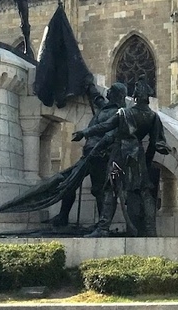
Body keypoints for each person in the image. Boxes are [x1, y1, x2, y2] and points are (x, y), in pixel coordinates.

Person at [73, 79, 170, 237]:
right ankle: (151, 229)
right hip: (137, 159)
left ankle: (103, 228)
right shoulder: (153, 117)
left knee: (111, 188)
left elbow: (105, 127)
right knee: (144, 191)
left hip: (119, 157)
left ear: (135, 96)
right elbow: (156, 143)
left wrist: (84, 133)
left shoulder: (124, 113)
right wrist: (146, 160)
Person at [51, 82, 126, 226]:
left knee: (99, 189)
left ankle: (102, 225)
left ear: (117, 95)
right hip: (88, 154)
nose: (108, 91)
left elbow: (109, 133)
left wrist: (96, 145)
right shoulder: (106, 107)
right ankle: (62, 217)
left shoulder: (118, 113)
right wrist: (88, 83)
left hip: (101, 155)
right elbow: (97, 98)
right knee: (69, 182)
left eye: (111, 90)